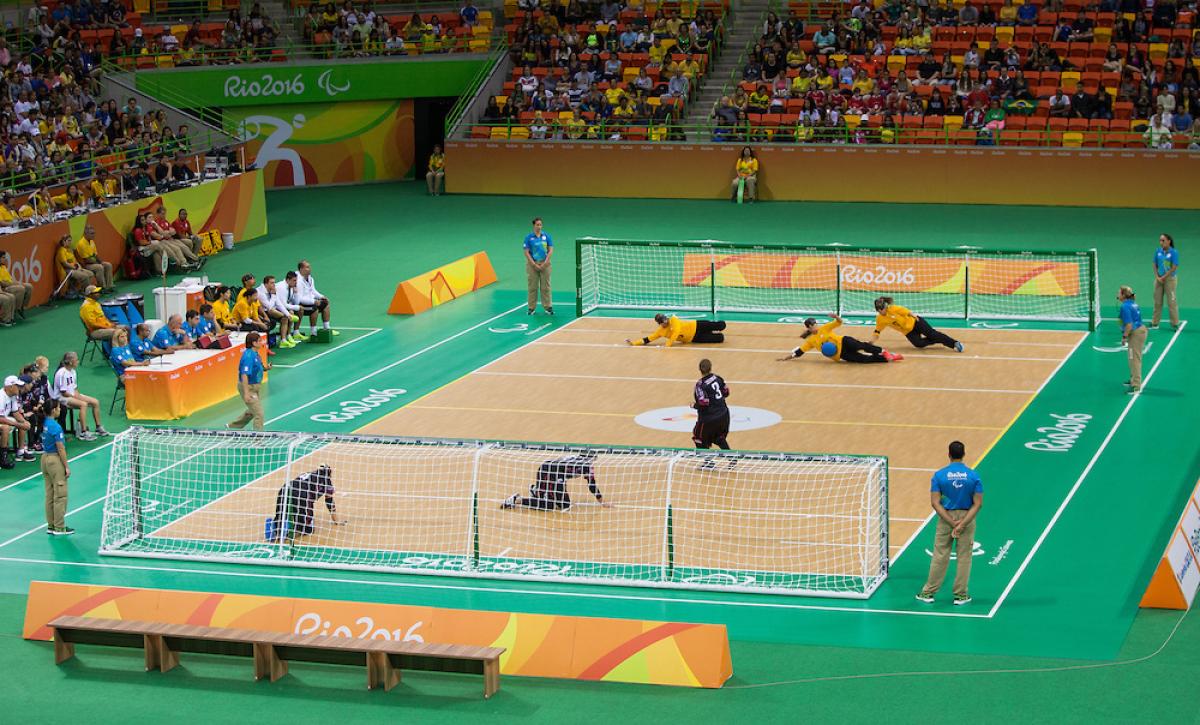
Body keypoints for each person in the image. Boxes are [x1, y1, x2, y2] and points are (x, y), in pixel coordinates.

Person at [915, 441, 983, 606]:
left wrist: (952, 523)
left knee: (940, 555)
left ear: (949, 454)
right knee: (964, 557)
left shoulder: (939, 476)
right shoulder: (973, 476)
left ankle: (928, 592)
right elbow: (978, 503)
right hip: (967, 517)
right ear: (964, 454)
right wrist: (962, 524)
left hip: (946, 518)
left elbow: (935, 502)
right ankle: (960, 595)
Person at [501, 449, 608, 511]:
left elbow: (591, 484)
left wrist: (602, 502)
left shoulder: (580, 462)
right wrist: (602, 502)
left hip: (550, 472)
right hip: (549, 473)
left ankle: (536, 491)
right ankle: (517, 500)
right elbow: (591, 485)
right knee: (554, 505)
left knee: (562, 503)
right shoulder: (582, 464)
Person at [268, 465, 343, 542]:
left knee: (282, 514)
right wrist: (336, 520)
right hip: (302, 494)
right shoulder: (327, 481)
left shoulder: (307, 474)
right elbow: (329, 501)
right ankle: (291, 532)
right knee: (308, 529)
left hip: (285, 489)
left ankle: (276, 530)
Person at [777, 316, 902, 363]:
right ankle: (887, 358)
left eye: (816, 323)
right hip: (840, 354)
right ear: (809, 327)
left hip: (844, 341)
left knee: (861, 346)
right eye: (813, 324)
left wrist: (836, 317)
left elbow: (839, 322)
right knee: (864, 359)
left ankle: (883, 350)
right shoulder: (811, 341)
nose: (816, 325)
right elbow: (800, 352)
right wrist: (787, 358)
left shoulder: (825, 328)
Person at [871, 297, 963, 351]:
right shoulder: (880, 319)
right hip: (908, 332)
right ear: (878, 310)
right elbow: (877, 331)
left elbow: (906, 311)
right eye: (882, 308)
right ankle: (937, 339)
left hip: (915, 322)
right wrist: (872, 342)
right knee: (919, 344)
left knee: (932, 333)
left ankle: (954, 343)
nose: (885, 309)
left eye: (885, 307)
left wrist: (914, 316)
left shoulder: (893, 308)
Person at [51, 352, 107, 441]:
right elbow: (63, 392)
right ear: (70, 362)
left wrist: (78, 396)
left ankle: (98, 427)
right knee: (83, 404)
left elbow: (74, 389)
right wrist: (77, 398)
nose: (78, 361)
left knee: (95, 402)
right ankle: (84, 432)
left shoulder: (73, 371)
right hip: (61, 398)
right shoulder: (61, 373)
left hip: (71, 395)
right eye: (76, 360)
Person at [40, 398, 73, 535]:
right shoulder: (55, 427)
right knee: (60, 495)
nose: (60, 410)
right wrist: (66, 466)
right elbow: (61, 449)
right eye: (59, 408)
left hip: (44, 458)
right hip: (54, 460)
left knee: (49, 494)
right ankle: (60, 527)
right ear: (53, 410)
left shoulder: (44, 423)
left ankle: (51, 525)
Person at [228, 331, 269, 431]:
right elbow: (244, 375)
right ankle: (258, 440)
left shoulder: (255, 354)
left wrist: (266, 368)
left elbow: (257, 366)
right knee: (259, 414)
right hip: (248, 386)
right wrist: (246, 393)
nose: (262, 342)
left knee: (252, 411)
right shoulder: (248, 356)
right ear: (254, 343)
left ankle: (232, 427)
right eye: (259, 341)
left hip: (255, 386)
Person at [692, 359, 731, 460]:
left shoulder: (700, 385)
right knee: (718, 437)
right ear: (711, 367)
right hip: (724, 414)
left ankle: (709, 463)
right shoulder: (718, 378)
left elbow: (703, 402)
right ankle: (732, 458)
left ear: (699, 369)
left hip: (709, 418)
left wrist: (694, 405)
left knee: (698, 437)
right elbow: (726, 392)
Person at [626, 314, 727, 346]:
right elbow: (648, 339)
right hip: (693, 338)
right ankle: (715, 335)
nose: (666, 321)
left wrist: (668, 344)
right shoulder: (660, 331)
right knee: (719, 339)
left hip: (696, 325)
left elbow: (676, 332)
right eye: (663, 321)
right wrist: (634, 343)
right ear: (660, 323)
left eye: (665, 319)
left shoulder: (673, 319)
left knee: (720, 325)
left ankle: (721, 324)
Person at [294, 260, 337, 336]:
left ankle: (327, 328)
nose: (309, 269)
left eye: (309, 267)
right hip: (301, 304)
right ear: (301, 269)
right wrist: (313, 301)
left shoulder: (310, 278)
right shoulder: (298, 281)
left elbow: (313, 290)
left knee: (326, 304)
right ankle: (313, 332)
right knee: (315, 308)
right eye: (307, 267)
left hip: (310, 301)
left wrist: (321, 296)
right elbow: (299, 299)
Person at [1118, 285, 1147, 394]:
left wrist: (1124, 337)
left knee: (1134, 359)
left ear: (1123, 295)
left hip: (1135, 333)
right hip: (1139, 331)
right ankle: (1133, 380)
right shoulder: (1131, 303)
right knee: (1132, 358)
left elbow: (1129, 325)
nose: (1117, 294)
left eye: (1119, 293)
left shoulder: (1125, 307)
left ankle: (1136, 386)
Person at [523, 217, 553, 316]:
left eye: (540, 225)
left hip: (545, 264)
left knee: (546, 287)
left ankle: (548, 307)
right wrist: (533, 264)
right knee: (532, 287)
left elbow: (550, 250)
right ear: (534, 225)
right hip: (533, 265)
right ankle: (531, 308)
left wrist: (545, 263)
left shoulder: (546, 236)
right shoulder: (529, 237)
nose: (539, 227)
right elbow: (526, 252)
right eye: (537, 225)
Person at [0, 375, 33, 464]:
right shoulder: (1, 397)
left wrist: (24, 422)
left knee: (22, 422)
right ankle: (3, 457)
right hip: (1, 420)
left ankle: (21, 451)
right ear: (10, 387)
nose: (20, 388)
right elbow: (1, 419)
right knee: (5, 428)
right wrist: (19, 424)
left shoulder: (13, 396)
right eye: (17, 386)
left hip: (4, 419)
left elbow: (15, 412)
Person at [258, 275, 298, 347]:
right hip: (263, 313)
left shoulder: (272, 290)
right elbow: (269, 306)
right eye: (272, 283)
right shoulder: (260, 292)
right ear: (266, 284)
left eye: (274, 282)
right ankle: (284, 338)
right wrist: (273, 295)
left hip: (272, 310)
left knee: (287, 316)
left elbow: (279, 304)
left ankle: (284, 340)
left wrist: (288, 314)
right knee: (274, 311)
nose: (274, 284)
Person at [1151, 233, 1179, 329]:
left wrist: (1164, 277)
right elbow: (1154, 263)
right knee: (1157, 301)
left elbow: (1174, 267)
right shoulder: (1158, 251)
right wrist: (1157, 276)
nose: (1161, 242)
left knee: (1171, 301)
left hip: (1170, 279)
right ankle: (1155, 322)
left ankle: (1174, 323)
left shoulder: (1174, 252)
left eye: (1163, 240)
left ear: (1168, 241)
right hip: (1159, 278)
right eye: (1160, 240)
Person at [55, 234, 95, 299]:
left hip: (75, 268)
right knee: (84, 276)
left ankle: (82, 290)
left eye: (71, 240)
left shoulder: (69, 250)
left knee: (90, 274)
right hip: (68, 270)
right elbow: (65, 264)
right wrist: (74, 268)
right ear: (63, 241)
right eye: (68, 240)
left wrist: (79, 267)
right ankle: (87, 293)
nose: (70, 242)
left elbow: (75, 261)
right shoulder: (61, 250)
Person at [73, 225, 114, 291]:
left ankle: (109, 286)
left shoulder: (91, 241)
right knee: (99, 267)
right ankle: (102, 287)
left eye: (94, 233)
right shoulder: (81, 244)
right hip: (86, 264)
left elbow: (95, 255)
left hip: (92, 262)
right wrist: (99, 264)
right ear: (86, 234)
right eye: (91, 233)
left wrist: (101, 262)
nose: (93, 235)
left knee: (108, 265)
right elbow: (87, 260)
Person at [0, 250, 33, 323]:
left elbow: (10, 279)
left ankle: (22, 308)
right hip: (5, 288)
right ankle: (16, 310)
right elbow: (2, 283)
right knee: (21, 289)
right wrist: (16, 284)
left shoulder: (3, 267)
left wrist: (17, 282)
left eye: (5, 257)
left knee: (29, 286)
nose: (5, 259)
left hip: (11, 284)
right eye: (3, 257)